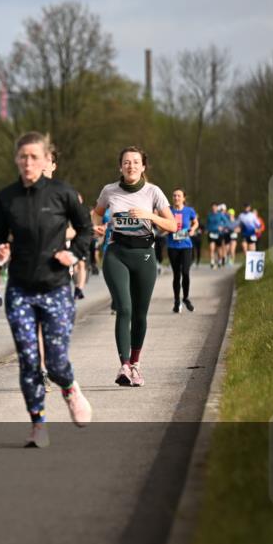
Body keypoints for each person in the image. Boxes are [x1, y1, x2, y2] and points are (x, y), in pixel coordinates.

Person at [0, 132, 93, 448]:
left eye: (34, 157)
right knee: (29, 359)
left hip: (56, 287)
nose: (28, 162)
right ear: (16, 160)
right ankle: (38, 423)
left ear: (47, 159)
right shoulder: (6, 198)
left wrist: (75, 254)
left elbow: (86, 229)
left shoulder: (63, 193)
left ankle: (69, 388)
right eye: (23, 157)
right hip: (20, 289)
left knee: (56, 362)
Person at [92, 147, 177, 387]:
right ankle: (124, 365)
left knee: (140, 313)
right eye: (127, 162)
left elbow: (172, 225)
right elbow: (96, 213)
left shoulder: (153, 192)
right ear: (120, 166)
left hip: (145, 256)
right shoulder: (109, 190)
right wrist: (98, 226)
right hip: (116, 253)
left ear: (143, 167)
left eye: (136, 162)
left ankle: (136, 364)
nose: (131, 166)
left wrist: (149, 216)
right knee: (124, 308)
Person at [167, 188, 198, 313]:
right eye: (174, 195)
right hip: (172, 246)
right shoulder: (168, 211)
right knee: (176, 274)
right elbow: (162, 224)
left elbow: (195, 222)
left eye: (179, 196)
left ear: (184, 198)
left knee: (185, 272)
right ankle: (176, 301)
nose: (176, 198)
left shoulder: (189, 210)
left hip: (186, 246)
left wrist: (193, 229)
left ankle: (185, 298)